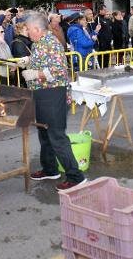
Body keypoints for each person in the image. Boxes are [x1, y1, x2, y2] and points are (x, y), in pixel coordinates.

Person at [19, 12, 86, 191]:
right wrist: (30, 62)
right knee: (44, 132)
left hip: (53, 94)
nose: (26, 31)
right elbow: (44, 62)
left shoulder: (50, 42)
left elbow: (58, 71)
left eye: (28, 28)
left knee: (57, 136)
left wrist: (35, 74)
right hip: (41, 94)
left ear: (36, 29)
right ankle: (50, 169)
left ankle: (75, 176)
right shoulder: (38, 43)